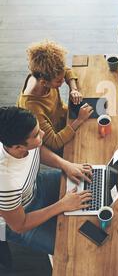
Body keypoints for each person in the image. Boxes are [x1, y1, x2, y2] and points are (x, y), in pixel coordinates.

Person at [0, 107, 92, 255]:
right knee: (71, 249)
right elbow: (19, 225)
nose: (42, 134)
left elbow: (38, 149)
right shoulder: (6, 183)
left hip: (36, 186)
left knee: (89, 179)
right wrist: (62, 205)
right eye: (37, 134)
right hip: (22, 217)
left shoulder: (23, 142)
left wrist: (65, 165)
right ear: (18, 147)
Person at [17, 40, 93, 152]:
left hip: (66, 118)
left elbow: (66, 71)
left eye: (62, 78)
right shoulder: (32, 107)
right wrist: (79, 120)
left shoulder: (43, 75)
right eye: (58, 81)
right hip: (58, 137)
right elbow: (54, 142)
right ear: (44, 82)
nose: (63, 82)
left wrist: (74, 89)